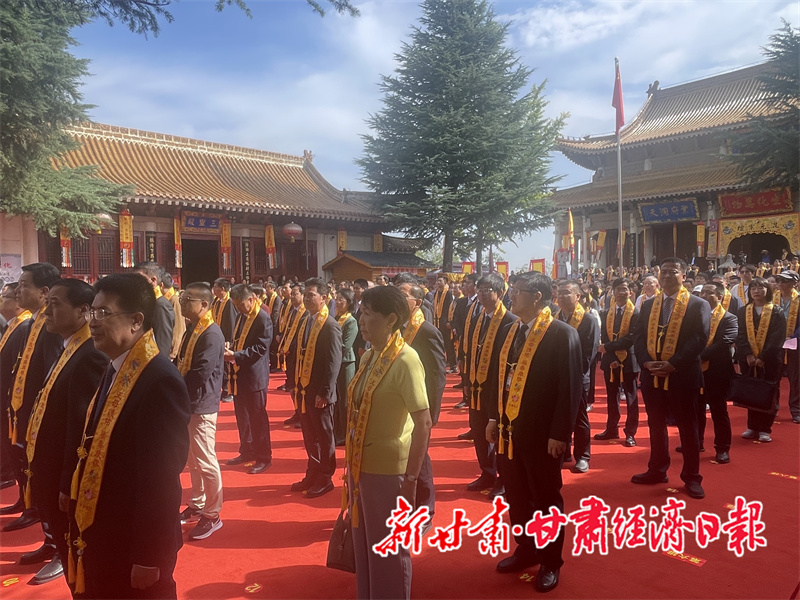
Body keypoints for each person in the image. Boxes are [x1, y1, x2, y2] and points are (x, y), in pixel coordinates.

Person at [69, 273, 190, 598]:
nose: (93, 322)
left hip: (132, 543)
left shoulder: (159, 380)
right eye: (92, 312)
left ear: (136, 321)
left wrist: (149, 556)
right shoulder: (116, 366)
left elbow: (161, 480)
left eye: (103, 313)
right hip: (107, 529)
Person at [485, 271, 582, 593]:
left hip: (542, 435)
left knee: (545, 499)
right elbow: (498, 377)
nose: (511, 295)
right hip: (508, 432)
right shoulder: (510, 330)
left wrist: (560, 434)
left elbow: (570, 389)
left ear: (537, 297)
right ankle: (526, 548)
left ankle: (551, 561)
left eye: (517, 291)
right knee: (516, 496)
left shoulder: (561, 334)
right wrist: (492, 417)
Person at [345, 285, 431, 600]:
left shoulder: (406, 360)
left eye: (368, 314)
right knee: (366, 545)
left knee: (389, 550)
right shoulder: (370, 355)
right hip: (361, 466)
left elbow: (423, 422)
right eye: (361, 312)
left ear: (392, 319)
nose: (361, 320)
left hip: (389, 472)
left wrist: (411, 479)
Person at [22, 279, 107, 585]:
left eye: (55, 304)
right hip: (49, 469)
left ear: (83, 311)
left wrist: (66, 483)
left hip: (64, 477)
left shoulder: (90, 354)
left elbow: (81, 428)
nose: (47, 311)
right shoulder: (71, 346)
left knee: (76, 556)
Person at [632, 258, 710, 500]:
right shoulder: (649, 305)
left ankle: (692, 477)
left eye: (672, 271)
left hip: (682, 375)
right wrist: (646, 362)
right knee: (655, 424)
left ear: (683, 276)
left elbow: (699, 338)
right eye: (663, 272)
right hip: (652, 374)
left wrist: (673, 363)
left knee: (687, 427)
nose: (666, 276)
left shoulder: (698, 304)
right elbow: (639, 336)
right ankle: (657, 469)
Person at [3, 263, 63, 538]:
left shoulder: (49, 327)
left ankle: (51, 536)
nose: (18, 290)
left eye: (24, 285)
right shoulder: (33, 323)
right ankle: (30, 505)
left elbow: (49, 374)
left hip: (39, 415)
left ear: (44, 292)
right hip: (22, 408)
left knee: (43, 473)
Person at [176, 283, 226, 540]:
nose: (183, 304)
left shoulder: (211, 333)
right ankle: (197, 503)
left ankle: (213, 514)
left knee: (206, 460)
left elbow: (201, 372)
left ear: (204, 304)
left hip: (201, 403)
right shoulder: (193, 328)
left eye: (188, 300)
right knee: (193, 460)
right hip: (190, 402)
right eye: (182, 299)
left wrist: (175, 388)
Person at [397, 282, 445, 522]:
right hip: (400, 405)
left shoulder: (427, 331)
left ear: (416, 302)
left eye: (403, 295)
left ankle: (425, 509)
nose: (398, 297)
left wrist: (431, 414)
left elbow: (437, 375)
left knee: (420, 457)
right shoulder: (397, 327)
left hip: (420, 406)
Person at [464, 274, 516, 495]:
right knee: (478, 430)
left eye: (488, 290)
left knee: (500, 433)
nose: (482, 294)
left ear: (500, 293)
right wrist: (466, 381)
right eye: (480, 290)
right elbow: (470, 352)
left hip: (498, 387)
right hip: (477, 386)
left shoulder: (510, 320)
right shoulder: (478, 318)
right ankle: (487, 472)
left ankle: (504, 478)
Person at [291, 278, 342, 498]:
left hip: (319, 393)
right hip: (304, 390)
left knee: (324, 436)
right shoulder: (306, 320)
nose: (306, 299)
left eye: (311, 295)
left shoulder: (329, 325)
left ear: (324, 298)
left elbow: (333, 362)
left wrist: (325, 392)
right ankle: (312, 472)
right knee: (310, 436)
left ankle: (325, 477)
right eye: (305, 294)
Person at [224, 284, 273, 474]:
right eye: (235, 305)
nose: (238, 308)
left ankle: (263, 457)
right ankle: (247, 450)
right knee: (242, 416)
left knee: (257, 418)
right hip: (239, 374)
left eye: (240, 304)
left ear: (251, 299)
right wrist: (231, 347)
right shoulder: (241, 316)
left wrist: (235, 355)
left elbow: (260, 348)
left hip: (254, 376)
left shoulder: (262, 318)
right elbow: (240, 340)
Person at [555, 280, 599, 473]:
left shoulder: (588, 320)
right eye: (559, 293)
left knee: (579, 418)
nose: (562, 296)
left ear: (578, 296)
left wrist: (571, 376)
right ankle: (564, 452)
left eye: (567, 293)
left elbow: (588, 354)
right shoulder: (555, 317)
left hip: (577, 378)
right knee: (559, 416)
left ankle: (583, 456)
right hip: (556, 377)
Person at [735, 276, 786, 442]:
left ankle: (765, 428)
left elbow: (777, 337)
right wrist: (748, 354)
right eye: (753, 288)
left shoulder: (776, 312)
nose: (756, 291)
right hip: (748, 359)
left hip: (770, 360)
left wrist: (764, 356)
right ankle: (752, 426)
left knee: (769, 391)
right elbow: (740, 334)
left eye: (760, 288)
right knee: (751, 391)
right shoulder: (743, 311)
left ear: (767, 290)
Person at [596, 277, 640, 447]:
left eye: (625, 289)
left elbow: (631, 338)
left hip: (629, 359)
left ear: (631, 292)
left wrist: (608, 347)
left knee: (631, 397)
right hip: (610, 359)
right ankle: (611, 428)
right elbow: (605, 335)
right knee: (612, 396)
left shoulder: (636, 313)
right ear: (613, 292)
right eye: (618, 289)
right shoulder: (607, 312)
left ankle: (630, 433)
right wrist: (612, 355)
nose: (621, 292)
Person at [697, 282, 737, 463]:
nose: (704, 295)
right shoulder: (695, 315)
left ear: (720, 296)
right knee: (695, 408)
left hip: (717, 371)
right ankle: (696, 441)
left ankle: (722, 448)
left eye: (709, 292)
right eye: (702, 292)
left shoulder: (729, 318)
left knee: (718, 410)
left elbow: (725, 342)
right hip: (696, 370)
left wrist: (698, 356)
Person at [133, 261, 175, 357]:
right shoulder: (145, 302)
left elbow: (163, 343)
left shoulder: (161, 305)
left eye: (138, 279)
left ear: (153, 280)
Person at [775, 270, 799, 423]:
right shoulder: (772, 298)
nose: (781, 283)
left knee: (795, 378)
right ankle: (772, 407)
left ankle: (796, 410)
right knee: (773, 376)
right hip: (775, 343)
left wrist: (794, 336)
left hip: (794, 343)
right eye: (779, 280)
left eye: (785, 281)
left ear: (794, 283)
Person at [334, 288, 357, 446]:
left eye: (341, 299)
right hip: (336, 363)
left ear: (348, 302)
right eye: (337, 298)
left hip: (345, 363)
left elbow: (346, 345)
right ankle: (337, 429)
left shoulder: (351, 321)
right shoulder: (336, 318)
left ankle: (345, 432)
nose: (337, 301)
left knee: (345, 400)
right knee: (336, 399)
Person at [212, 278, 237, 402]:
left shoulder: (229, 302)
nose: (214, 289)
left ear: (222, 289)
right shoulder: (217, 302)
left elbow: (232, 322)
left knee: (227, 367)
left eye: (215, 287)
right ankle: (223, 389)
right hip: (218, 338)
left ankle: (229, 391)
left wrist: (229, 340)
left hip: (226, 340)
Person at [161, 272, 186, 361]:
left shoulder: (174, 300)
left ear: (161, 285)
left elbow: (179, 327)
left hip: (172, 350)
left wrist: (173, 351)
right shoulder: (164, 300)